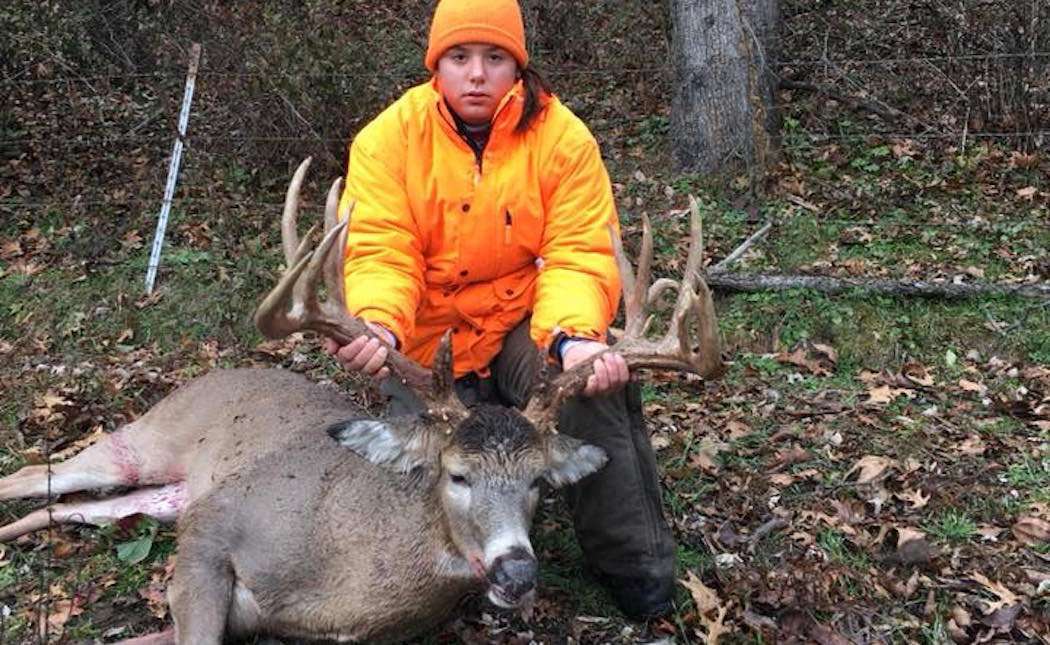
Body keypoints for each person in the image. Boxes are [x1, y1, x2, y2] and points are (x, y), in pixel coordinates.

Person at [323, 0, 676, 620]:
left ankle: (635, 569)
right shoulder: (388, 139)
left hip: (520, 323)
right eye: (460, 57)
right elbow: (382, 246)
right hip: (425, 341)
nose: (478, 74)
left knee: (592, 390)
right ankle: (441, 580)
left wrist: (573, 339)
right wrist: (377, 320)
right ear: (438, 65)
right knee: (421, 460)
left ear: (519, 66)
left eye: (495, 57)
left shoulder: (561, 139)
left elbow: (578, 249)